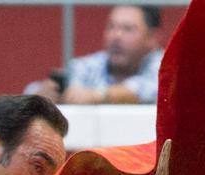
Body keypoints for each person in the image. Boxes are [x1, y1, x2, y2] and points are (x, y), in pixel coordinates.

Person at [27, 5, 163, 104]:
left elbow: (149, 89)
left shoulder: (165, 65)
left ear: (152, 38)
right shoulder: (87, 65)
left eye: (128, 29)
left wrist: (97, 95)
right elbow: (31, 90)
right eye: (111, 27)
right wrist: (41, 96)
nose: (116, 35)